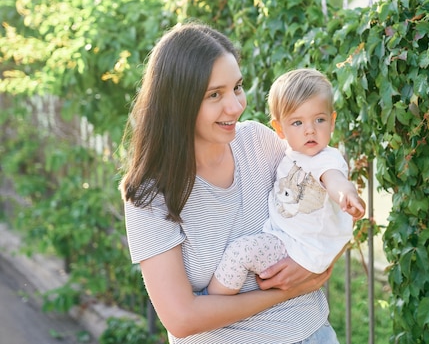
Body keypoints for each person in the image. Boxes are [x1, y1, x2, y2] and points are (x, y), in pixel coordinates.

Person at [121, 22, 341, 343]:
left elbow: (331, 203)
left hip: (313, 334)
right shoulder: (150, 196)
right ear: (178, 104)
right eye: (215, 94)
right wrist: (286, 289)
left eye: (237, 87)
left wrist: (320, 264)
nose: (236, 106)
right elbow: (181, 318)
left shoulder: (259, 142)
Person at [208, 68, 365, 295]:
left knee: (240, 253)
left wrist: (345, 194)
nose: (310, 130)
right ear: (280, 129)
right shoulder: (291, 153)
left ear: (332, 122)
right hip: (288, 238)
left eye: (319, 120)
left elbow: (334, 178)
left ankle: (212, 301)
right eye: (297, 123)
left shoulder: (324, 158)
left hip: (299, 247)